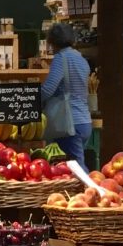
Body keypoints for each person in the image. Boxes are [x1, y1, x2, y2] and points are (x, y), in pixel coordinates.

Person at [37, 22, 93, 166]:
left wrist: (31, 101)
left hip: (69, 123)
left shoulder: (61, 59)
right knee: (71, 165)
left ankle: (90, 188)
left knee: (76, 168)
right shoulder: (81, 59)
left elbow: (48, 89)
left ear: (52, 41)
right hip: (84, 120)